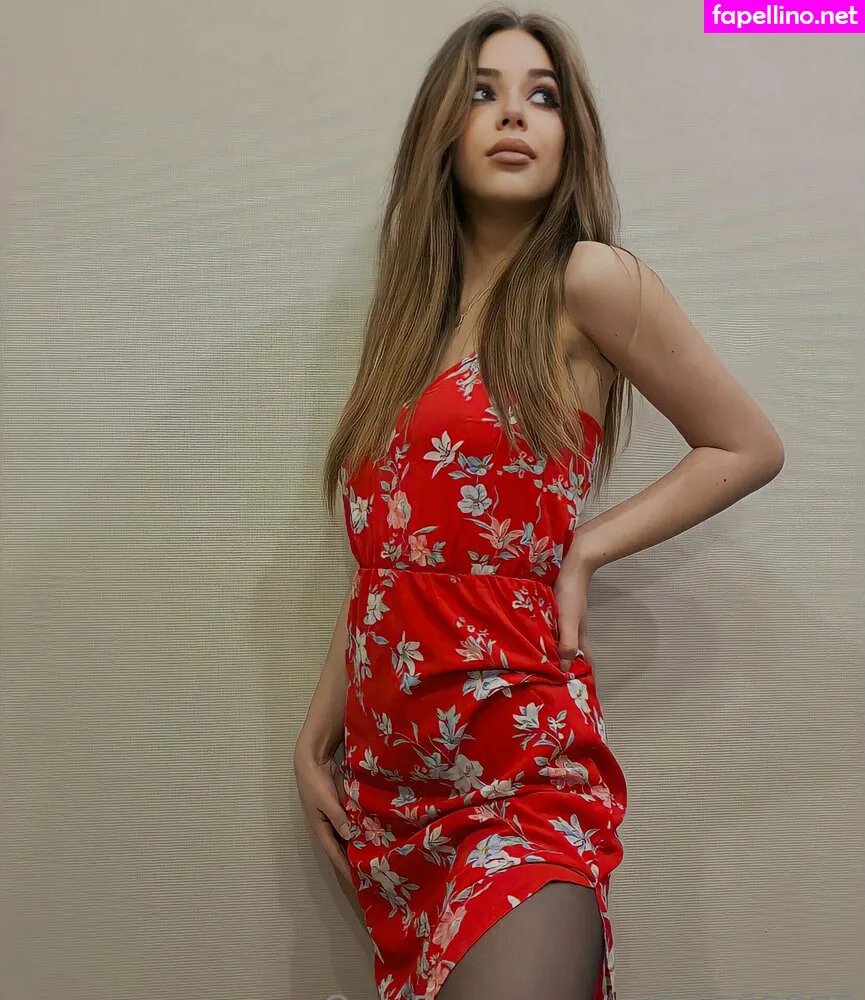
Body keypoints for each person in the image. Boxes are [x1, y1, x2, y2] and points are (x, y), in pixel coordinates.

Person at [294, 7, 785, 1000]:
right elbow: (387, 569)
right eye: (482, 91)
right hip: (388, 797)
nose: (513, 113)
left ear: (571, 137)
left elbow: (746, 444)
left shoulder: (587, 281)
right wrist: (314, 738)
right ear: (440, 128)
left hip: (518, 779)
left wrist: (584, 549)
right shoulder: (405, 328)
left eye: (542, 96)